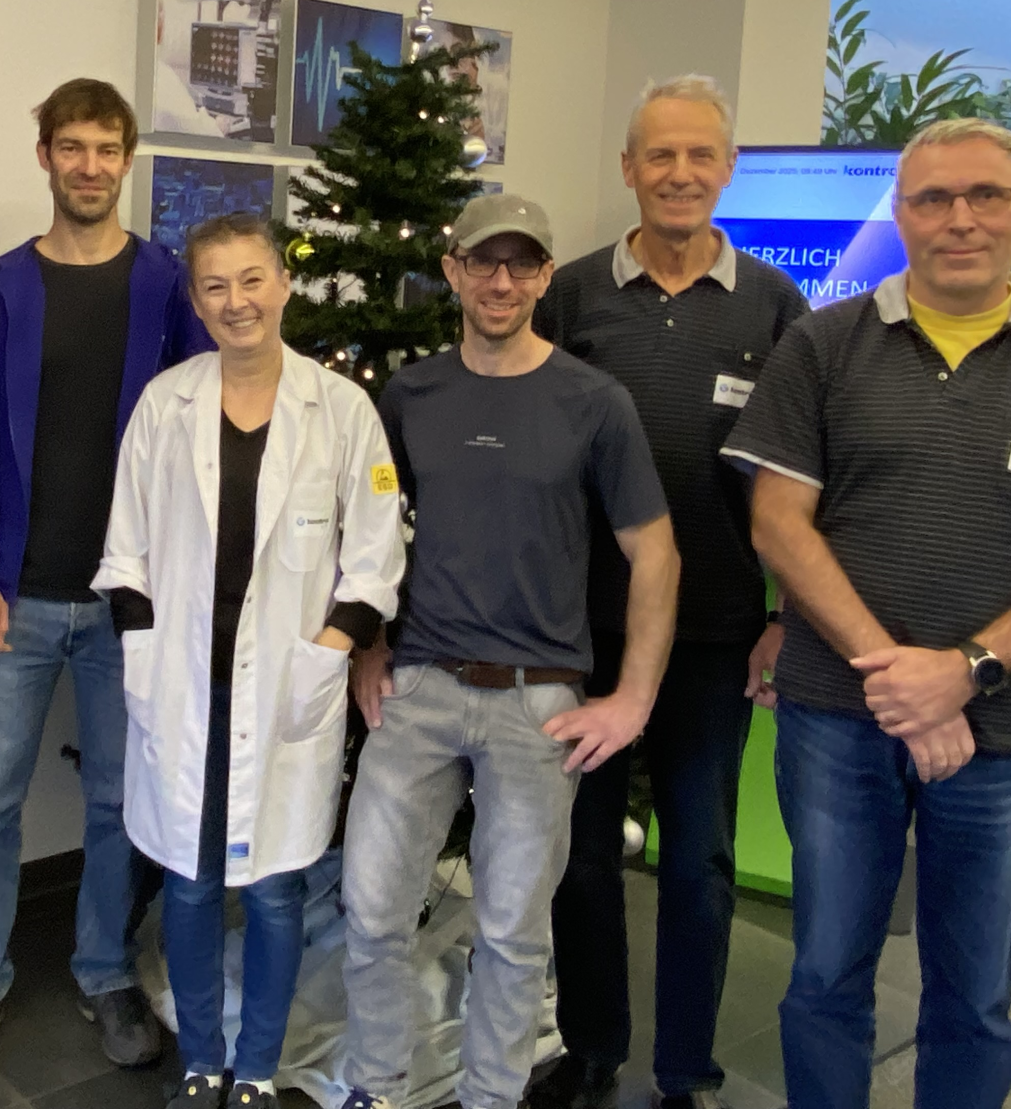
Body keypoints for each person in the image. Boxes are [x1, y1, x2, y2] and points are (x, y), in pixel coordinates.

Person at [720, 118, 1011, 1109]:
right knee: (823, 974)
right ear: (899, 211)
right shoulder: (822, 344)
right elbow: (778, 521)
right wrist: (898, 673)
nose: (957, 218)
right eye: (931, 198)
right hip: (836, 718)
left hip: (1004, 730)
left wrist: (961, 670)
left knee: (973, 995)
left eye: (982, 195)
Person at [337, 193, 681, 1109]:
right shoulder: (409, 395)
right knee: (370, 912)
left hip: (540, 704)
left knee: (514, 932)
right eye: (483, 262)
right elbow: (369, 533)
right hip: (418, 690)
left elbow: (656, 550)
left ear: (543, 277)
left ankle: (490, 1098)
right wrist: (368, 645)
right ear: (450, 269)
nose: (501, 281)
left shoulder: (592, 402)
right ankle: (376, 1086)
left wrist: (633, 698)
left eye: (522, 265)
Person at [527, 75, 809, 1109]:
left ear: (725, 168)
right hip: (580, 627)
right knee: (582, 856)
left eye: (699, 155)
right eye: (659, 155)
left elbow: (799, 478)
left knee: (699, 861)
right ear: (628, 170)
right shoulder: (571, 295)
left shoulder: (776, 307)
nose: (679, 174)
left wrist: (783, 611)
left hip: (715, 631)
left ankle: (684, 1068)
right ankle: (592, 1044)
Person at [0, 76, 213, 1084]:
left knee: (115, 800)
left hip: (126, 605)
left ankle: (102, 969)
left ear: (124, 161)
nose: (88, 166)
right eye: (72, 147)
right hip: (13, 596)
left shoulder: (166, 286)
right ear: (44, 154)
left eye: (106, 149)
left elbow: (200, 441)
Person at [94, 213, 406, 1109]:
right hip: (187, 684)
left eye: (253, 279)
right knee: (190, 888)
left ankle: (258, 1070)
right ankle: (201, 1060)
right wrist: (147, 648)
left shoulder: (341, 408)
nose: (238, 301)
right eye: (217, 286)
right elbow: (126, 552)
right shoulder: (168, 403)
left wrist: (329, 652)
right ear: (197, 298)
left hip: (288, 691)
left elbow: (376, 555)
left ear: (283, 284)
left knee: (274, 892)